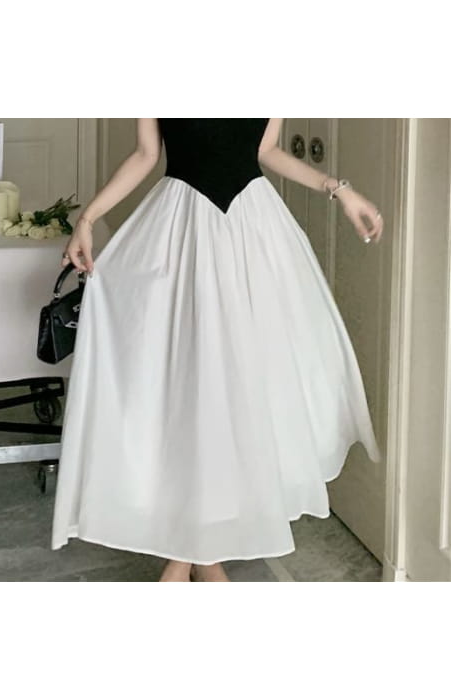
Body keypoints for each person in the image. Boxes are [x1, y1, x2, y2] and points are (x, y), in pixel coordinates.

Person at [50, 118, 384, 583]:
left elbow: (265, 151)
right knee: (188, 393)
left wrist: (339, 189)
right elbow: (146, 154)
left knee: (238, 393)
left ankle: (190, 558)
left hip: (252, 234)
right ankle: (198, 558)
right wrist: (87, 219)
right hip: (180, 233)